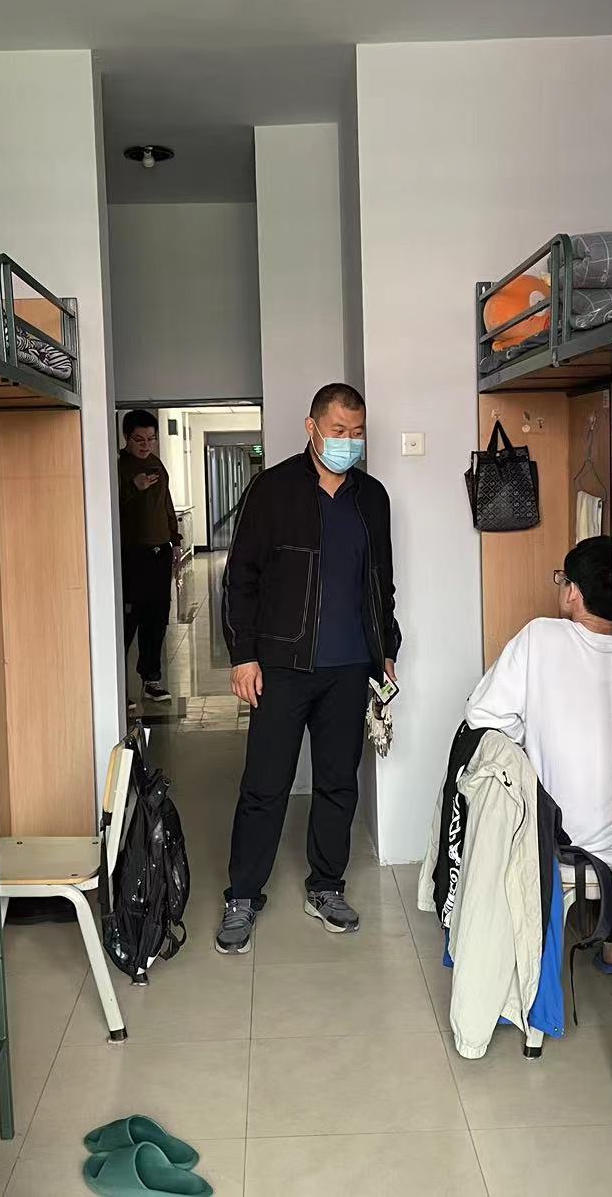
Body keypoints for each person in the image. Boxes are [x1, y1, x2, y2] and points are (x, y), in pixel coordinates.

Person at [215, 382, 400, 952]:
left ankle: (326, 886)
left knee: (339, 782)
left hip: (351, 668)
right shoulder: (272, 490)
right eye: (339, 430)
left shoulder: (372, 498)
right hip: (282, 664)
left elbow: (382, 584)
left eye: (357, 432)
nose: (349, 441)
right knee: (265, 785)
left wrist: (387, 648)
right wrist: (243, 654)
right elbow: (240, 579)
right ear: (312, 427)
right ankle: (243, 895)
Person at [464, 537, 612, 969]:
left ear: (573, 592)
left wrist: (534, 733)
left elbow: (481, 715)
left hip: (565, 840)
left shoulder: (540, 637)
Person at [118, 410, 181, 704]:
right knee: (129, 620)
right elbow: (108, 504)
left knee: (157, 618)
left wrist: (175, 540)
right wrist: (134, 486)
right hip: (133, 554)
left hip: (160, 552)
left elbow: (166, 503)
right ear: (126, 438)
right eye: (139, 440)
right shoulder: (119, 467)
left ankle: (151, 679)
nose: (146, 445)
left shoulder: (157, 464)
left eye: (151, 439)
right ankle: (118, 688)